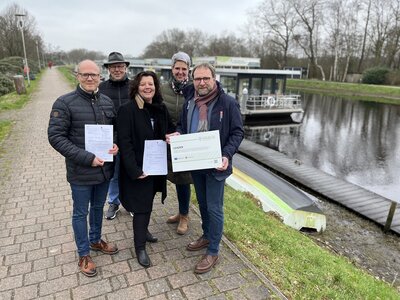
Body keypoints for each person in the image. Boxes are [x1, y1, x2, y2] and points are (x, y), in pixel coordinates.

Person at [167, 62, 244, 274]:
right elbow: (183, 125)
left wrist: (227, 155)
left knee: (214, 207)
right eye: (198, 79)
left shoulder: (227, 103)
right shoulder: (190, 102)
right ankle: (206, 234)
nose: (201, 82)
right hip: (196, 163)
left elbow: (238, 133)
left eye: (205, 78)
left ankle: (213, 250)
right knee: (201, 203)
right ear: (193, 80)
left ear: (214, 78)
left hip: (217, 166)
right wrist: (178, 134)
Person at [48, 59, 119, 277]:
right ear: (77, 76)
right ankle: (83, 253)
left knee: (98, 208)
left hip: (104, 170)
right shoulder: (64, 103)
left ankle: (96, 240)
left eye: (94, 75)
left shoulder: (106, 102)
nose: (90, 78)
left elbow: (114, 131)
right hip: (81, 171)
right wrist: (87, 158)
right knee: (81, 212)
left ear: (100, 77)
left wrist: (115, 144)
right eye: (85, 74)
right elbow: (56, 137)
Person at [117, 71, 175, 267]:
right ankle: (139, 247)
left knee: (148, 202)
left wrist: (171, 136)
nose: (147, 87)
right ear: (137, 87)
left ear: (156, 87)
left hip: (155, 168)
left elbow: (171, 128)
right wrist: (135, 170)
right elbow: (124, 143)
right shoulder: (127, 110)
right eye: (143, 84)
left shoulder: (160, 108)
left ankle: (145, 232)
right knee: (141, 208)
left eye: (151, 84)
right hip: (138, 170)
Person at [161, 51, 193, 235]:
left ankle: (185, 215)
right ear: (172, 69)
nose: (180, 72)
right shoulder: (163, 89)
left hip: (186, 142)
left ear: (189, 69)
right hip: (166, 140)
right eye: (177, 68)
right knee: (170, 177)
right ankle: (180, 211)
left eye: (184, 68)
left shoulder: (194, 88)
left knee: (183, 180)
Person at [99, 52, 130, 220]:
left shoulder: (134, 86)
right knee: (113, 172)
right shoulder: (101, 88)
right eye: (113, 66)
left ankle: (131, 202)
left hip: (131, 137)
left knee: (131, 170)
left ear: (125, 67)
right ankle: (113, 202)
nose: (117, 69)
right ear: (108, 69)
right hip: (109, 137)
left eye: (120, 66)